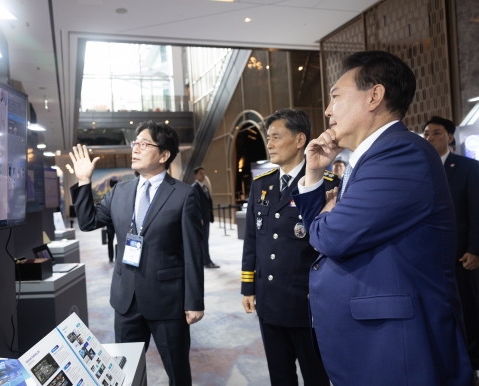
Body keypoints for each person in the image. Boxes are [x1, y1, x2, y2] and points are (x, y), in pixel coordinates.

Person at [290, 51, 473, 385]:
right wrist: (314, 175)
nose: (328, 111)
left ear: (374, 95)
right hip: (372, 340)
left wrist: (328, 218)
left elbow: (331, 237)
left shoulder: (400, 153)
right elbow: (327, 228)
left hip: (398, 347)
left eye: (335, 97)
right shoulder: (369, 158)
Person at [70, 121, 204, 386]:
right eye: (135, 143)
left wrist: (194, 300)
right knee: (125, 373)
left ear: (164, 155)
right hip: (126, 299)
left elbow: (193, 252)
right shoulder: (120, 191)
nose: (136, 148)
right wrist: (83, 180)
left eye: (145, 144)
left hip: (168, 301)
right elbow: (87, 222)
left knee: (177, 371)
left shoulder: (184, 195)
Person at [241, 108, 336, 385]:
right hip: (269, 301)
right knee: (279, 376)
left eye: (275, 136)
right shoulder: (262, 185)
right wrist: (249, 286)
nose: (268, 143)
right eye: (267, 137)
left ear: (299, 140)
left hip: (306, 304)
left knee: (315, 376)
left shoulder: (324, 185)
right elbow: (252, 240)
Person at [423, 116, 479, 371]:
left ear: (450, 137)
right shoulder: (420, 169)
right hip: (429, 258)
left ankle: (473, 365)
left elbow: (476, 210)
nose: (430, 138)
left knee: (468, 311)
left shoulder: (467, 167)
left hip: (461, 257)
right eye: (426, 134)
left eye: (436, 133)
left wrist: (475, 249)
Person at [192, 166, 219, 269]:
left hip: (206, 218)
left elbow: (208, 203)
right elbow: (195, 205)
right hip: (201, 220)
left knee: (205, 240)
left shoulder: (204, 187)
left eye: (204, 173)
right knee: (203, 241)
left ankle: (205, 260)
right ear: (196, 175)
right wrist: (199, 218)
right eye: (200, 173)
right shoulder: (194, 187)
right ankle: (206, 261)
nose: (203, 175)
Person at [106, 179, 118, 262]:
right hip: (118, 223)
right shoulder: (121, 196)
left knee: (110, 241)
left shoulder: (108, 196)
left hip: (109, 223)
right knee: (120, 241)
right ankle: (118, 258)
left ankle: (110, 257)